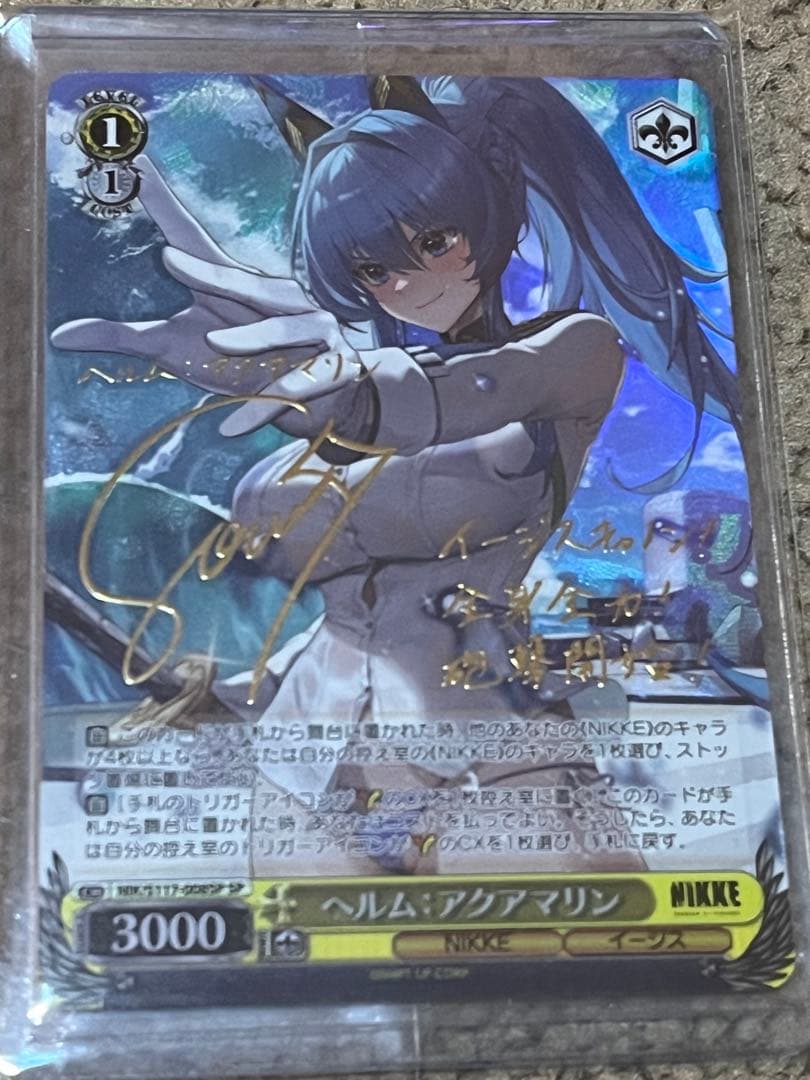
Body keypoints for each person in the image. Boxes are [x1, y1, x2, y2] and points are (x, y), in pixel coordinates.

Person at [52, 76, 739, 875]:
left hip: (492, 750)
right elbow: (357, 612)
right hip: (315, 763)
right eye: (375, 269)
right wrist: (239, 690)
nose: (408, 282)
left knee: (574, 941)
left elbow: (463, 392)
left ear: (484, 214)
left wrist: (337, 390)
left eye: (436, 240)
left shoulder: (569, 355)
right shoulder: (355, 385)